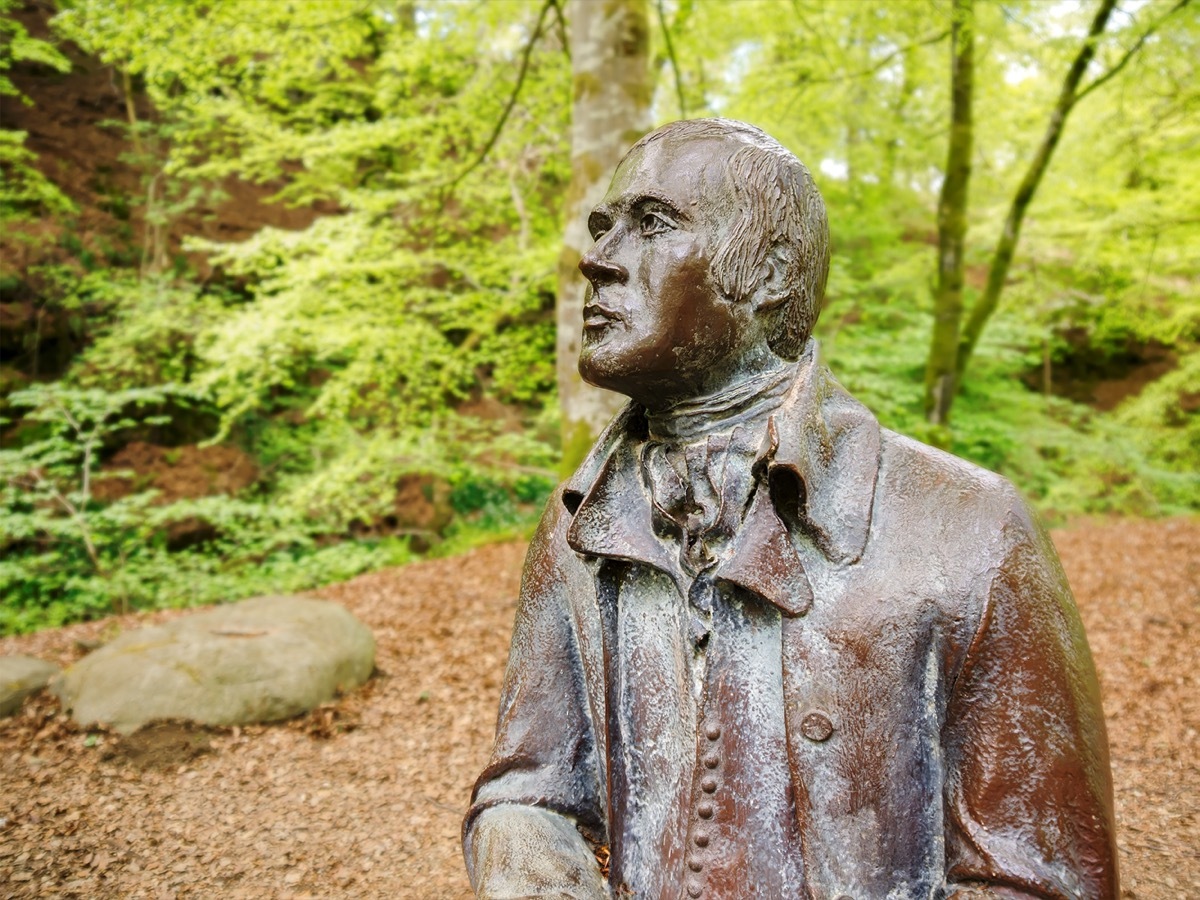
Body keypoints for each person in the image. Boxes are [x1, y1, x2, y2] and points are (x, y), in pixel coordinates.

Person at [463, 119, 1117, 900]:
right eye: (605, 228)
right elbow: (527, 792)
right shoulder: (581, 522)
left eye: (653, 224)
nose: (596, 259)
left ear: (770, 272)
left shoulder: (967, 527)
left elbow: (1044, 876)